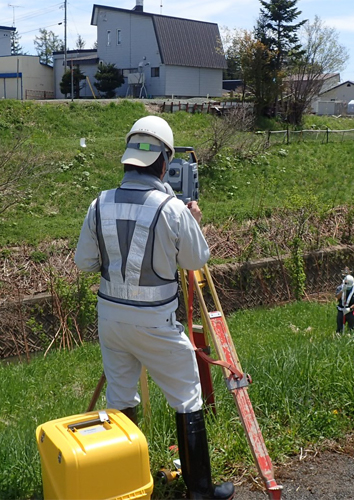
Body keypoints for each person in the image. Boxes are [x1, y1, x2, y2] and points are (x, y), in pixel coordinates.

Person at [74, 115, 234, 500]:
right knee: (187, 396)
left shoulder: (99, 204)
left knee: (120, 397)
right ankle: (199, 491)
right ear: (165, 161)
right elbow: (196, 260)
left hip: (111, 319)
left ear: (128, 159)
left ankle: (125, 484)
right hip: (156, 323)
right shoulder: (172, 209)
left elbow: (84, 263)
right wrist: (192, 222)